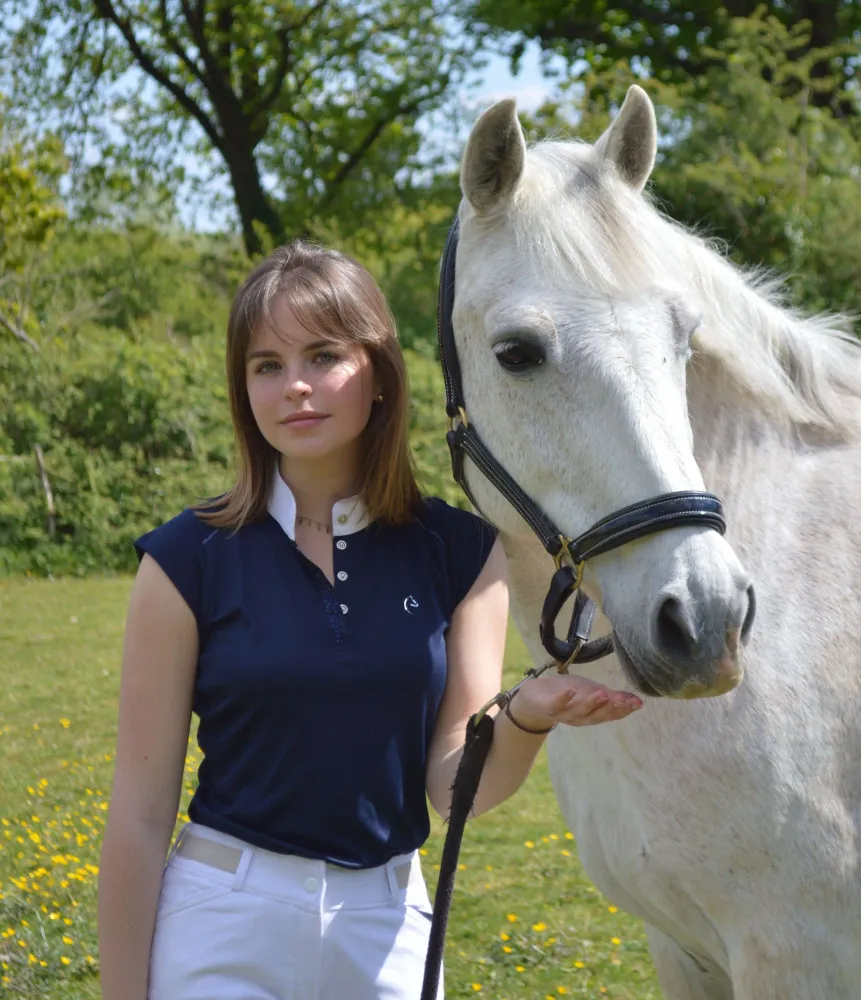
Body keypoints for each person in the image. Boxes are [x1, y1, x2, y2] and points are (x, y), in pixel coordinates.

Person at [96, 239, 644, 1000]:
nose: (295, 387)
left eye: (323, 356)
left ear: (379, 375)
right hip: (223, 918)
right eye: (266, 365)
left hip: (387, 930)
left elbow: (459, 787)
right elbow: (138, 814)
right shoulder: (187, 558)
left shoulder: (459, 550)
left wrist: (523, 716)